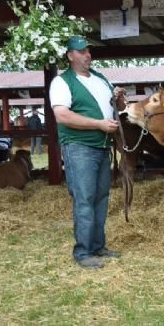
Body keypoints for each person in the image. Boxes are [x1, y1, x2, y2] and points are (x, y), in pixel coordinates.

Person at [49, 35, 127, 268]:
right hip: (79, 147)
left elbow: (119, 109)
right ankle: (82, 252)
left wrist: (119, 98)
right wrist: (99, 124)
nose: (88, 55)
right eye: (82, 51)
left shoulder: (101, 79)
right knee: (84, 199)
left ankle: (97, 246)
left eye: (89, 51)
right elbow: (62, 115)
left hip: (101, 146)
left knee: (101, 198)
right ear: (70, 55)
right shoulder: (62, 82)